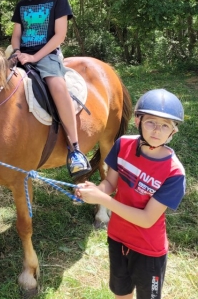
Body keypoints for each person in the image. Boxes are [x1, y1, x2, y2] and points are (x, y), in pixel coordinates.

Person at [75, 89, 186, 299]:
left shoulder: (174, 173)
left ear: (173, 132)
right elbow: (110, 183)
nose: (157, 130)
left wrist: (102, 200)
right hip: (117, 238)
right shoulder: (123, 144)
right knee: (121, 293)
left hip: (149, 250)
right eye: (151, 122)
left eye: (165, 125)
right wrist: (93, 191)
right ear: (138, 120)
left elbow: (146, 219)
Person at [11, 0, 91, 179]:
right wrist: (17, 52)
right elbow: (16, 34)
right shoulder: (22, 4)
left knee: (57, 86)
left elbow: (59, 36)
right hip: (21, 53)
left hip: (46, 55)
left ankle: (75, 150)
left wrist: (34, 58)